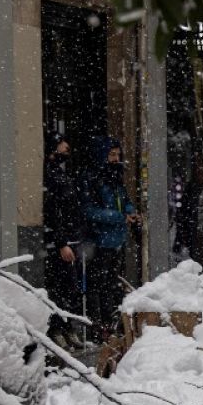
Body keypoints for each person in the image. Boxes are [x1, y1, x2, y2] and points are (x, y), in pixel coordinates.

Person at [84, 137, 140, 341]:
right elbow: (90, 211)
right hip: (99, 241)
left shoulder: (115, 178)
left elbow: (125, 200)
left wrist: (130, 212)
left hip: (116, 241)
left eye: (118, 154)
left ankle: (112, 323)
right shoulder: (93, 179)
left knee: (113, 285)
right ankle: (99, 327)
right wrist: (119, 217)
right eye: (112, 155)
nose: (116, 159)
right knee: (98, 286)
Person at [43, 135, 88, 347]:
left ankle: (67, 327)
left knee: (70, 288)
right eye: (63, 147)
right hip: (62, 242)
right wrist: (61, 242)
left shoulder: (60, 174)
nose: (67, 150)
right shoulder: (50, 175)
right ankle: (57, 328)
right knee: (61, 288)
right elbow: (53, 210)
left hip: (70, 238)